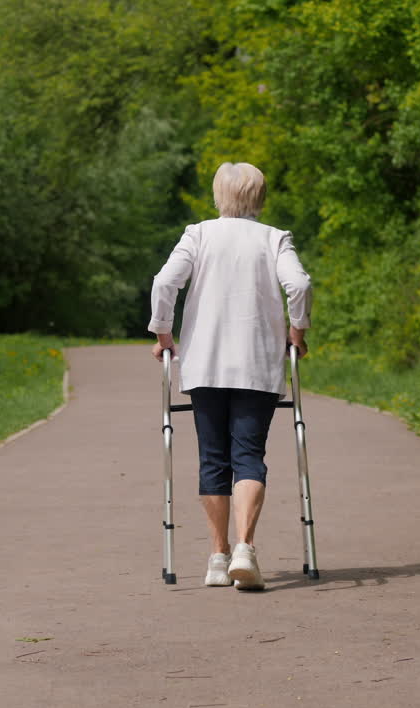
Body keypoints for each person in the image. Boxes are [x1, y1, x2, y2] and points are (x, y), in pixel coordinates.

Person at [148, 162, 312, 591]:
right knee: (248, 456)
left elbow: (164, 283)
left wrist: (163, 333)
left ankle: (218, 558)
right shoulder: (274, 238)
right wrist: (298, 329)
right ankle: (245, 548)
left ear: (219, 196)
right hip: (257, 362)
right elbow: (299, 285)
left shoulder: (198, 234)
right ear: (260, 198)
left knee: (213, 457)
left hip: (204, 363)